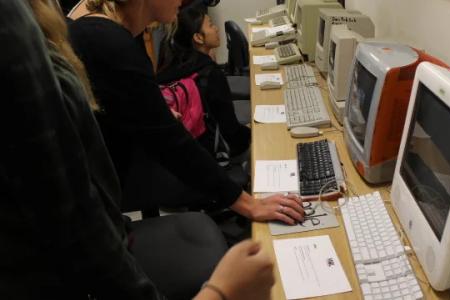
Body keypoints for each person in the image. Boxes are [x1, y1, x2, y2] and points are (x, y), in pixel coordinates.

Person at [0, 0, 274, 299]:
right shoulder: (93, 39)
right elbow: (76, 223)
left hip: (105, 229)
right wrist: (222, 290)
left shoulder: (97, 30)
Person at [68, 0, 304, 225]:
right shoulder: (110, 43)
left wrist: (155, 108)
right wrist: (249, 204)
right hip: (98, 204)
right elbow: (172, 143)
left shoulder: (115, 32)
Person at [157, 1, 250, 162]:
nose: (216, 29)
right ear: (198, 38)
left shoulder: (171, 65)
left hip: (181, 155)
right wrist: (250, 133)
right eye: (211, 25)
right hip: (211, 154)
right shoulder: (210, 73)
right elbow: (231, 132)